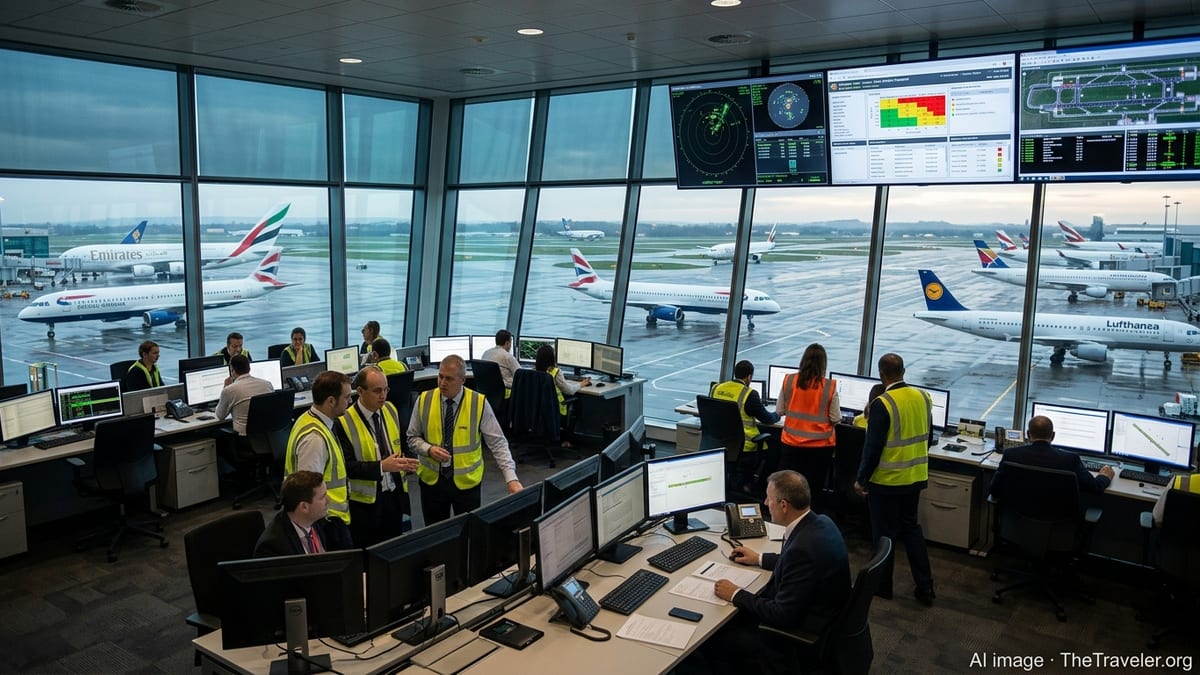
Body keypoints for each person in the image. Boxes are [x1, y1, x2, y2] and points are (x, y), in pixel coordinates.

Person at [690, 471, 850, 674]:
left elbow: (782, 615)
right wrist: (758, 558)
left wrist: (735, 593)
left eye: (769, 498)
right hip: (822, 615)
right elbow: (797, 566)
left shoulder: (802, 549)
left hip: (790, 634)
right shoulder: (820, 523)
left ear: (784, 505)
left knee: (710, 636)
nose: (765, 503)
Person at [854, 353, 935, 606]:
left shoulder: (883, 403)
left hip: (887, 481)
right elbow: (929, 436)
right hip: (915, 476)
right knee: (911, 530)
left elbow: (873, 447)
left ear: (882, 374)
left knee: (884, 536)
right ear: (903, 371)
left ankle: (883, 586)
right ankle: (925, 588)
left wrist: (861, 479)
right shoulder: (923, 397)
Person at [407, 354, 523, 524]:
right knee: (435, 538)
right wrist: (428, 449)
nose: (442, 383)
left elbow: (497, 442)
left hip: (466, 484)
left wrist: (511, 478)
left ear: (462, 379)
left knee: (470, 535)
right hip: (432, 483)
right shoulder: (424, 400)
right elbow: (411, 438)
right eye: (440, 376)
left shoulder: (478, 403)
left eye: (449, 379)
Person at [285, 371, 401, 533]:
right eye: (347, 397)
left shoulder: (312, 421)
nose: (351, 401)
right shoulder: (315, 439)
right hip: (326, 520)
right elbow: (307, 492)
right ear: (331, 401)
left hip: (333, 515)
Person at [339, 365, 419, 546]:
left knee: (393, 549)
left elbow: (395, 447)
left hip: (394, 495)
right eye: (377, 391)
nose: (383, 395)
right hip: (364, 504)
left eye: (386, 389)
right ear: (359, 391)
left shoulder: (390, 409)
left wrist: (403, 462)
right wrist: (382, 466)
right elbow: (347, 466)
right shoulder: (343, 421)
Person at [990, 415, 1114, 500]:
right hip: (1057, 527)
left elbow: (994, 489)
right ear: (1053, 436)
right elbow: (1095, 488)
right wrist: (1104, 476)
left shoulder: (1011, 455)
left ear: (1028, 434)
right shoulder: (1070, 460)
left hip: (1017, 522)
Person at [777, 343, 840, 510]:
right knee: (813, 490)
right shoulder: (829, 386)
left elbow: (779, 410)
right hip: (819, 448)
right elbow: (835, 418)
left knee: (788, 488)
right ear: (823, 364)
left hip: (791, 445)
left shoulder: (789, 380)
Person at [710, 360, 780, 491]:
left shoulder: (716, 388)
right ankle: (756, 487)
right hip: (745, 446)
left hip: (720, 441)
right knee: (775, 449)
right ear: (749, 377)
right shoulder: (749, 394)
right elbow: (768, 419)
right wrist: (778, 414)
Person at [253, 470, 353, 557]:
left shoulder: (316, 521)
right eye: (322, 497)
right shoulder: (273, 546)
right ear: (304, 507)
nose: (328, 500)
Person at [535, 343, 588, 448]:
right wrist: (581, 384)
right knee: (576, 402)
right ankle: (566, 439)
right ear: (552, 358)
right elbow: (569, 390)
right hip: (554, 411)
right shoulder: (555, 372)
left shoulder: (533, 372)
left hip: (536, 411)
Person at [214, 354, 274, 435]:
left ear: (233, 371)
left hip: (244, 438)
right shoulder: (267, 384)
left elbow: (220, 416)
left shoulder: (229, 390)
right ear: (249, 369)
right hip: (267, 435)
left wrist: (225, 387)